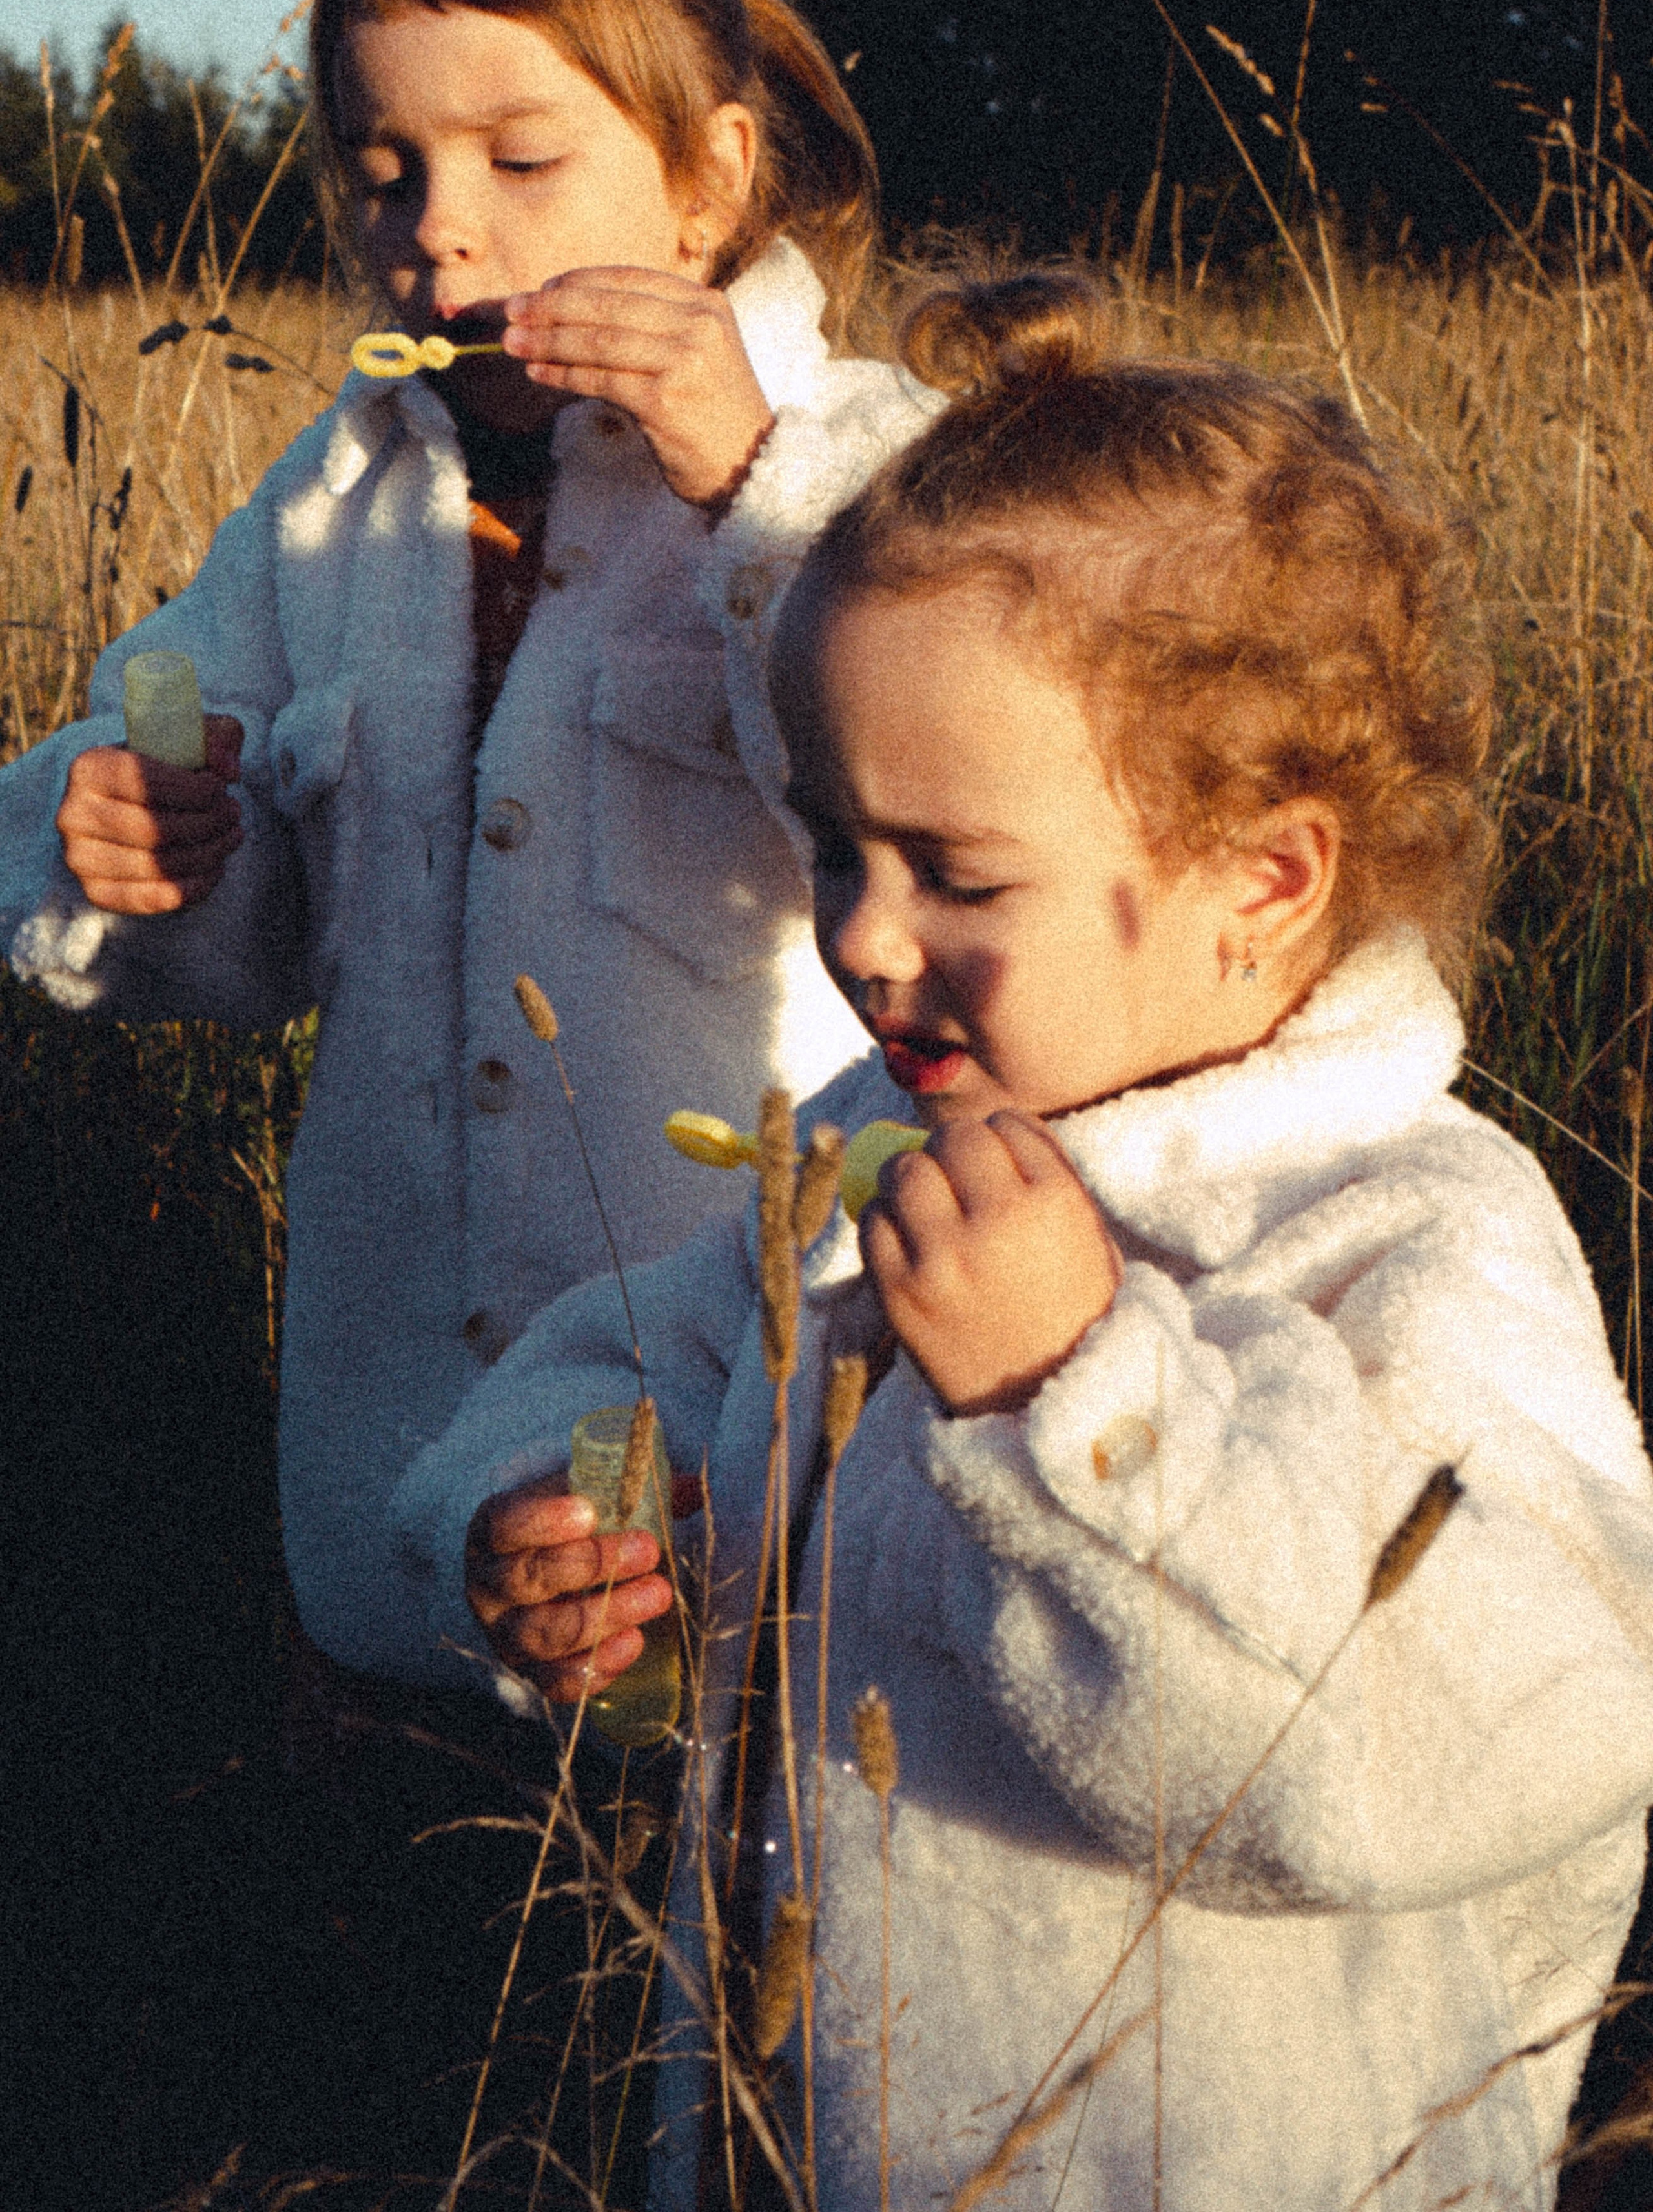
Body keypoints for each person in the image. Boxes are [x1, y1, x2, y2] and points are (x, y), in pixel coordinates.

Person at [394, 274, 1653, 2211]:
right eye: (830, 845)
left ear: (1264, 875)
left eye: (957, 874)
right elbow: (642, 1350)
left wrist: (1084, 1402)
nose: (864, 940)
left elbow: (1529, 1731)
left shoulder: (1402, 1229)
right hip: (800, 2134)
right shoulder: (872, 1149)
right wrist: (551, 1523)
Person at [0, 0, 938, 1684]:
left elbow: (928, 782)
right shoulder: (340, 500)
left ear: (705, 181)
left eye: (519, 159)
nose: (438, 224)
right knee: (429, 1783)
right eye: (382, 170)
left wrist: (738, 471)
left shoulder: (857, 462)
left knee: (674, 1733)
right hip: (392, 1392)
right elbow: (213, 804)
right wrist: (141, 841)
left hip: (719, 1331)